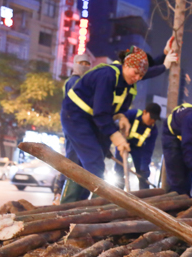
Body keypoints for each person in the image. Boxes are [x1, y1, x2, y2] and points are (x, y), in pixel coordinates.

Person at [60, 43, 177, 203]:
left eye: (141, 76)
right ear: (126, 65)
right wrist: (117, 138)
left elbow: (111, 110)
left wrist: (121, 117)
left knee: (88, 162)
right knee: (94, 163)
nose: (137, 78)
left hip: (92, 120)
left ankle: (79, 205)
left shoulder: (128, 83)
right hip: (74, 116)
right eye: (135, 73)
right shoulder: (107, 76)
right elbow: (101, 114)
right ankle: (90, 207)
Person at [52, 54, 92, 205]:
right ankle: (62, 197)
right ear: (75, 64)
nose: (84, 66)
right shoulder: (74, 82)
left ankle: (75, 200)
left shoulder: (82, 83)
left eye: (87, 64)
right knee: (72, 163)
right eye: (81, 63)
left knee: (79, 164)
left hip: (79, 128)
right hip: (74, 128)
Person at [113, 103, 162, 190]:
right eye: (151, 117)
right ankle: (118, 189)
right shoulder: (132, 114)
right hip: (123, 144)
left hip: (138, 150)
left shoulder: (153, 131)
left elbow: (148, 150)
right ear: (144, 112)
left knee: (143, 172)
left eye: (155, 119)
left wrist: (144, 167)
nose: (152, 121)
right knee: (119, 169)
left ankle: (144, 194)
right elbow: (118, 123)